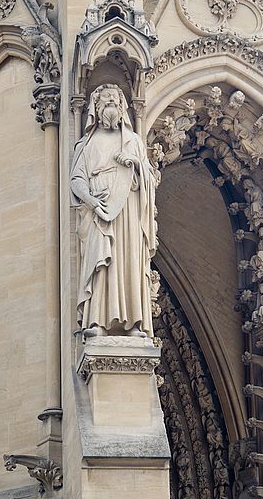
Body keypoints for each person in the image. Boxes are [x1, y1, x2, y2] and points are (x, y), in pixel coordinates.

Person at [70, 84, 157, 337]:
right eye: (105, 99)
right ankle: (96, 321)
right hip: (99, 210)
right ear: (95, 108)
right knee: (101, 263)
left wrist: (136, 165)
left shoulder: (133, 141)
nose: (111, 102)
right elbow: (77, 179)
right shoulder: (87, 144)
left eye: (115, 99)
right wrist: (91, 200)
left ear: (122, 107)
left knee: (128, 259)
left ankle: (133, 324)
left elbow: (149, 180)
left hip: (128, 211)